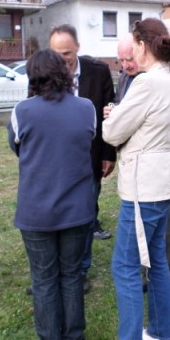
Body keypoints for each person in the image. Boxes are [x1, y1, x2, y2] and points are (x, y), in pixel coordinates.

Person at [103, 18, 170, 340]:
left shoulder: (147, 82)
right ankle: (161, 332)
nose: (130, 54)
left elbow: (112, 134)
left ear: (142, 45)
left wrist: (112, 116)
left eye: (133, 45)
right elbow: (151, 123)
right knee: (156, 259)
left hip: (145, 186)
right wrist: (120, 114)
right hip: (164, 179)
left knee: (124, 266)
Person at [8, 49, 95, 340]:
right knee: (71, 275)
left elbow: (17, 146)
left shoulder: (22, 111)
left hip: (36, 211)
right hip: (77, 209)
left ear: (32, 76)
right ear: (64, 72)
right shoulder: (86, 108)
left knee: (44, 279)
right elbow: (88, 140)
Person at [115, 32, 170, 308]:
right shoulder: (126, 79)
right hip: (138, 171)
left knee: (167, 232)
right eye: (121, 60)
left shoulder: (163, 78)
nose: (126, 63)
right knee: (144, 233)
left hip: (160, 169)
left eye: (129, 57)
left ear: (142, 50)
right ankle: (149, 279)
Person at [49, 24, 116, 292]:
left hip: (90, 157)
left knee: (86, 214)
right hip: (55, 161)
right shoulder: (44, 72)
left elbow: (109, 113)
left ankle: (80, 269)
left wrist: (108, 153)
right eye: (56, 54)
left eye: (66, 53)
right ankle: (57, 268)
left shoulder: (98, 72)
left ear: (77, 47)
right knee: (57, 215)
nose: (61, 60)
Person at [114, 33, 140, 103]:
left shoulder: (152, 78)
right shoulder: (123, 77)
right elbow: (118, 101)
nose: (125, 66)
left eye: (129, 59)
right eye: (122, 60)